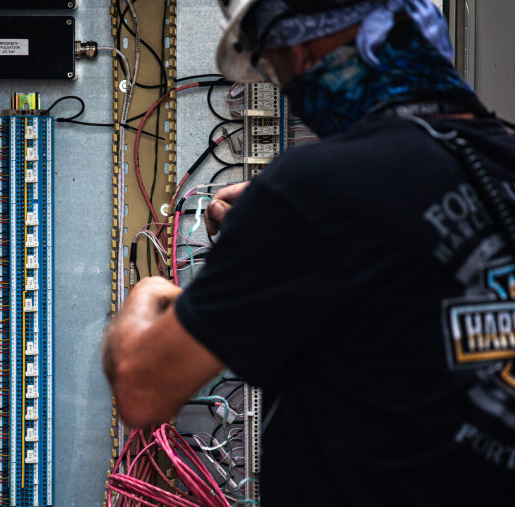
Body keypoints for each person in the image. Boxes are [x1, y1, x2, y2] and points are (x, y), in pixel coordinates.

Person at [103, 0, 515, 503]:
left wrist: (150, 293)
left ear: (300, 51)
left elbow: (140, 388)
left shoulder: (314, 190)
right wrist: (276, 236)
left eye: (277, 69)